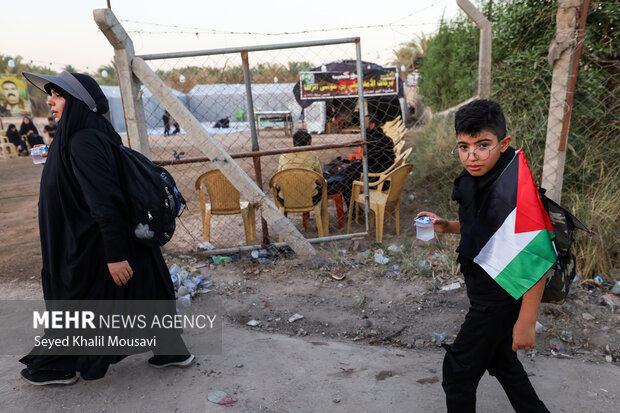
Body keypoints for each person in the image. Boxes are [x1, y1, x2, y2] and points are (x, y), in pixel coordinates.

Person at [19, 70, 193, 386]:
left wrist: (115, 254)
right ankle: (169, 348)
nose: (50, 101)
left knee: (83, 300)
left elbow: (104, 201)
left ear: (78, 103)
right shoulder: (82, 135)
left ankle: (57, 364)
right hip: (90, 237)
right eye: (52, 95)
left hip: (92, 243)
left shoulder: (83, 141)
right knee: (142, 282)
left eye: (59, 96)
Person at [416, 99, 549, 413]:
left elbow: (537, 254)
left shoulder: (514, 190)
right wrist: (446, 226)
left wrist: (527, 320)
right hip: (485, 288)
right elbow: (488, 230)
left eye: (483, 145)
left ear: (504, 143)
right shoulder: (482, 179)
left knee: (457, 372)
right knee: (503, 363)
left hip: (498, 294)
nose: (471, 156)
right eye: (463, 147)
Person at [277, 129, 323, 206]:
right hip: (311, 198)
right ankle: (320, 216)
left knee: (280, 190)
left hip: (286, 198)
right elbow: (320, 176)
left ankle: (283, 216)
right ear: (308, 143)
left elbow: (279, 176)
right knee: (321, 187)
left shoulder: (284, 155)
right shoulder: (312, 154)